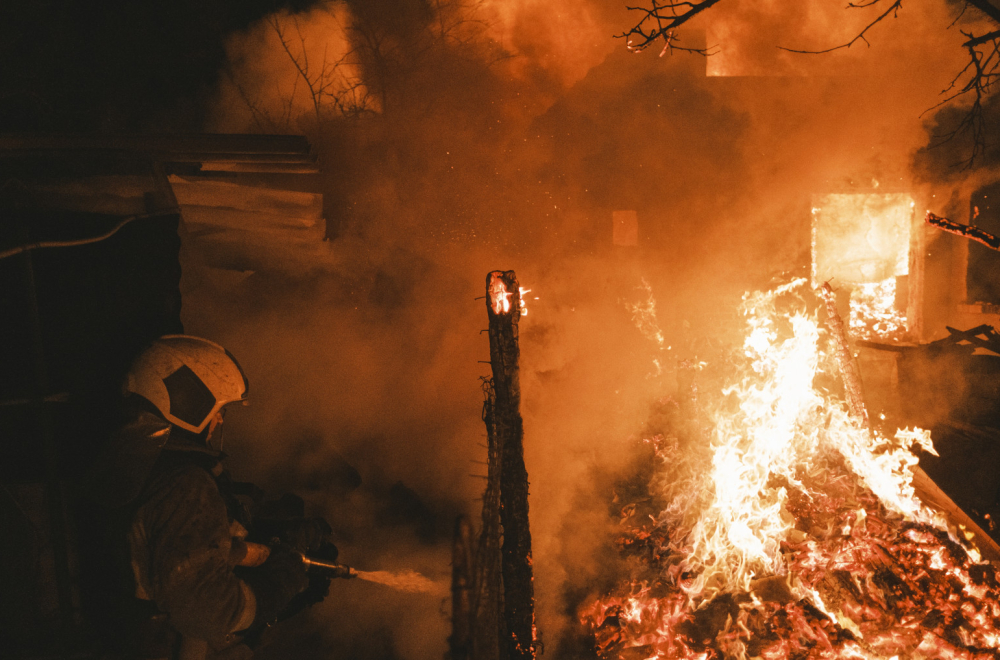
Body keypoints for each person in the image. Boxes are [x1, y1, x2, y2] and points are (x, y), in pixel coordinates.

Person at [84, 335, 331, 660]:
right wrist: (277, 585)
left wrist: (261, 545)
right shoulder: (186, 483)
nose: (219, 421)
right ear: (187, 401)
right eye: (217, 410)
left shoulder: (131, 459)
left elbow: (171, 547)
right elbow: (205, 612)